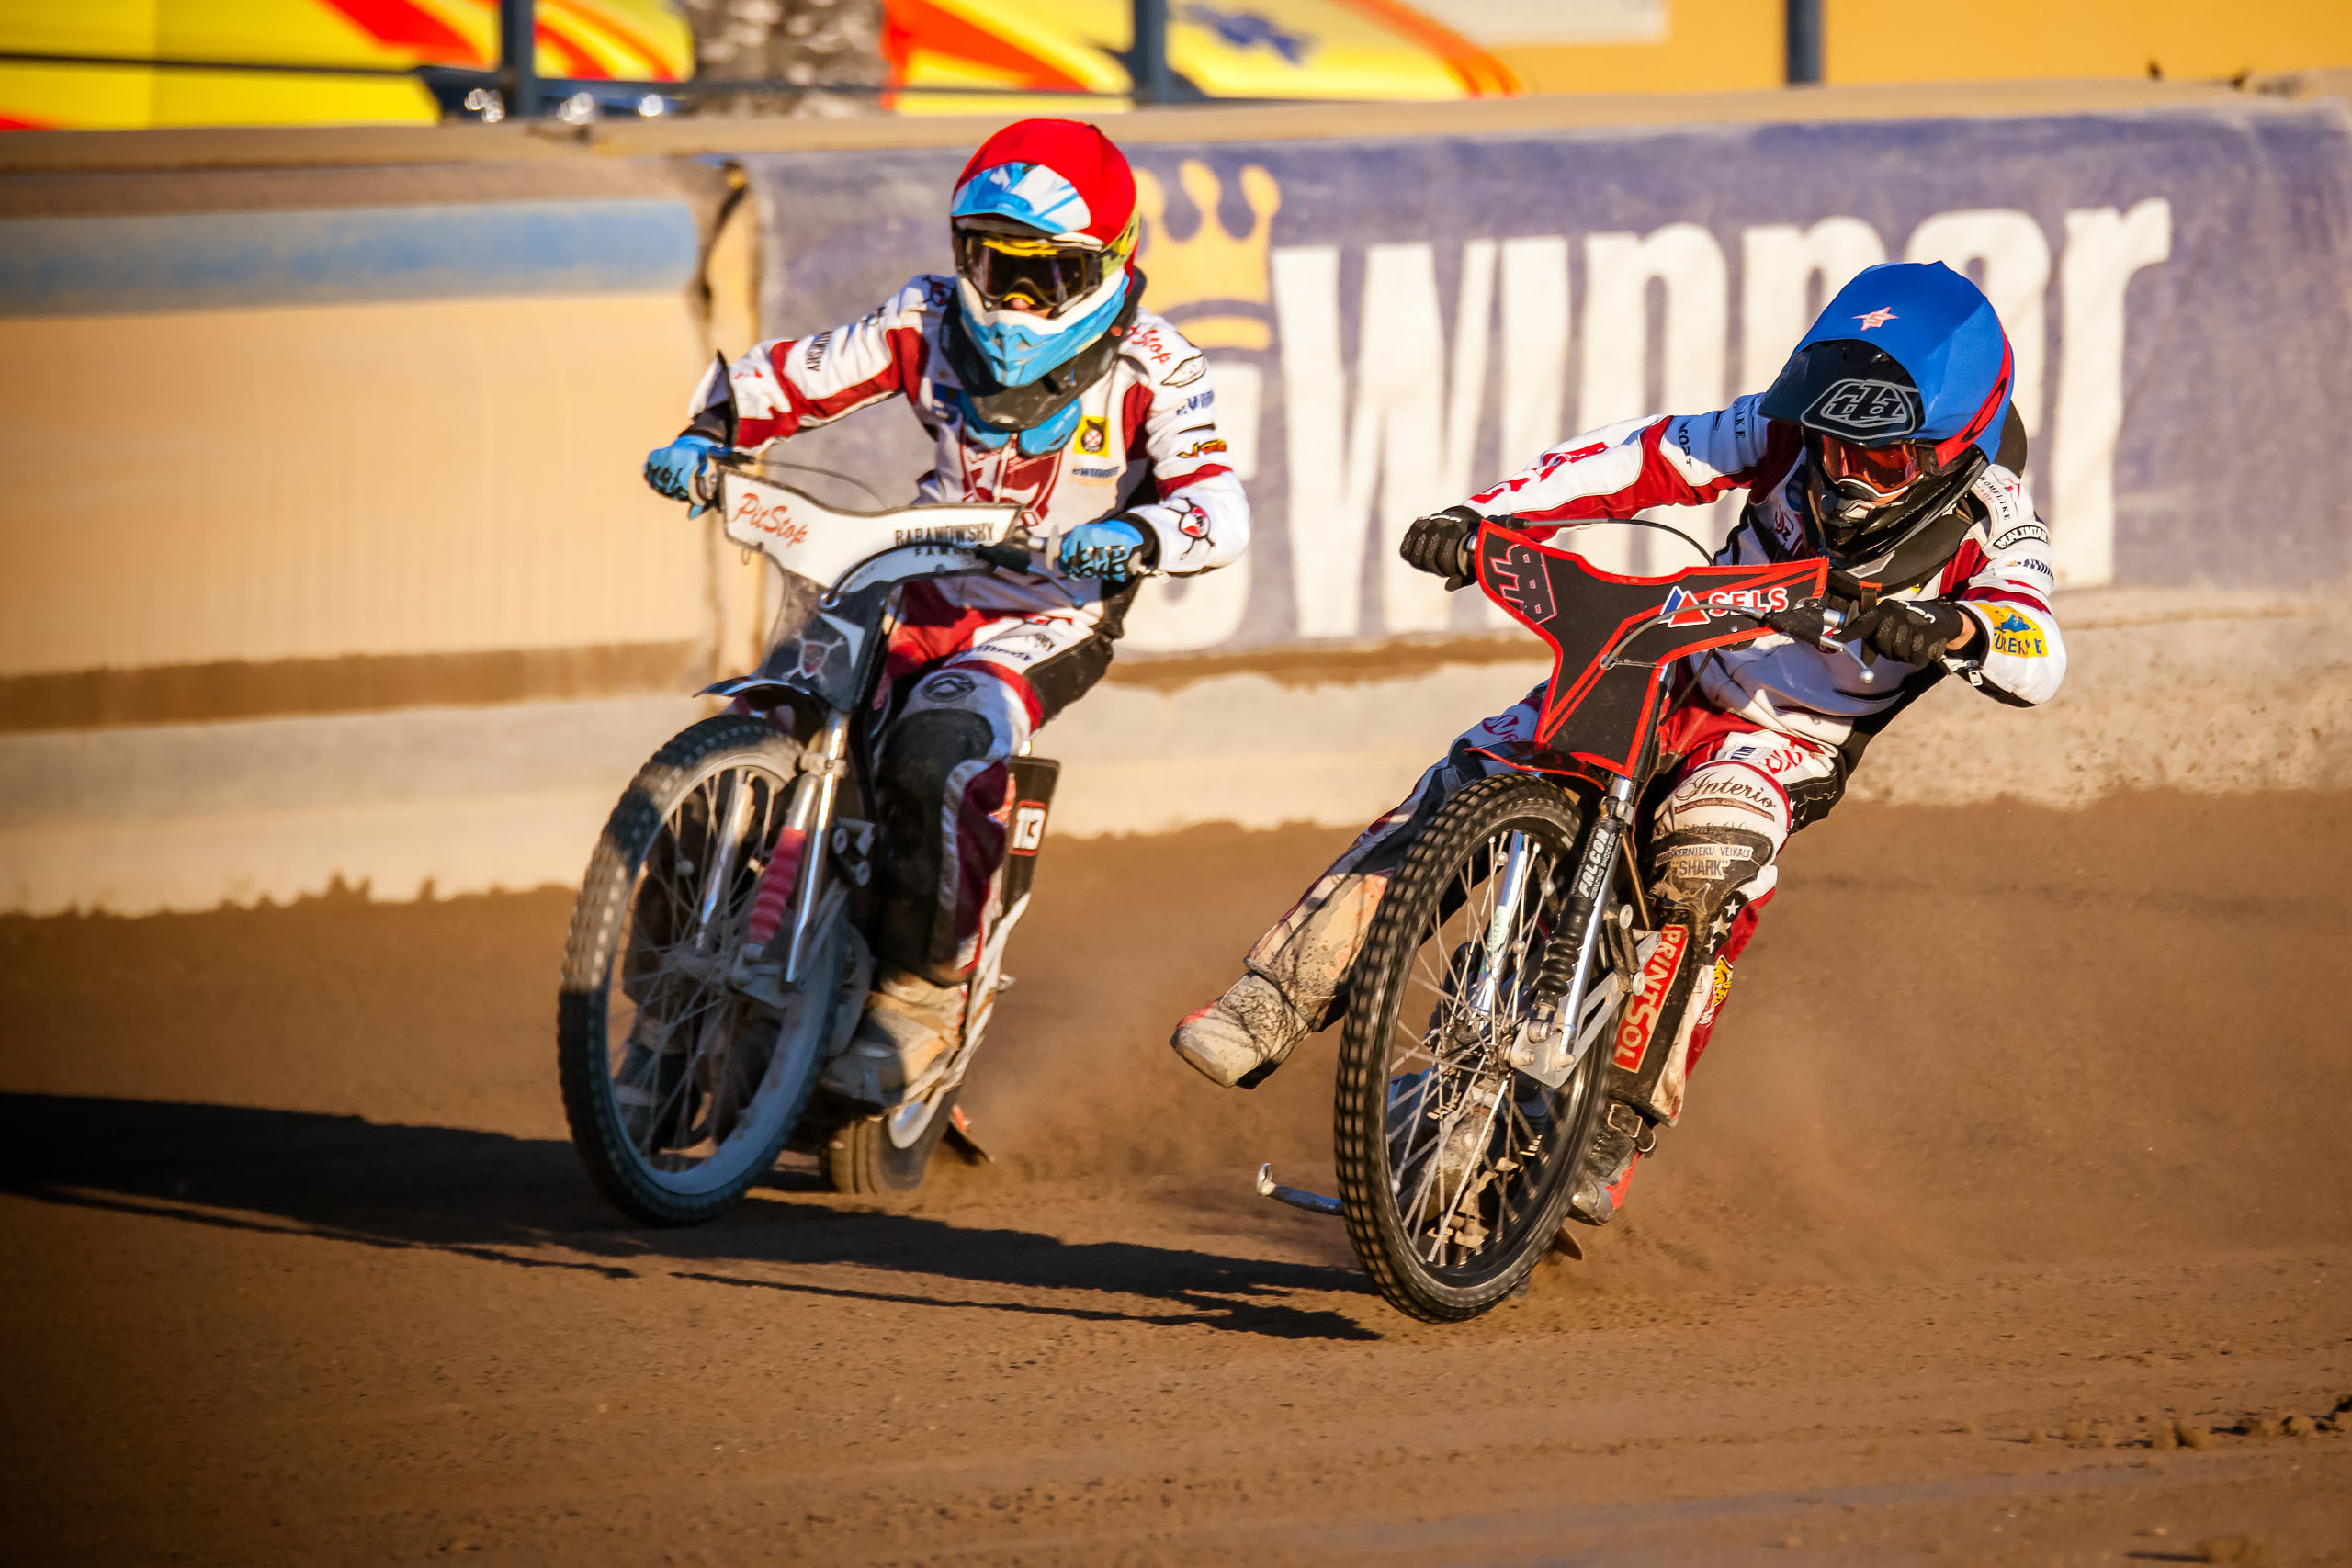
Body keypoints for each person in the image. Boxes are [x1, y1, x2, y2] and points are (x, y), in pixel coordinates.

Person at [1170, 261, 2063, 1228]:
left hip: (1786, 738)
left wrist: (1957, 632)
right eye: (1833, 440)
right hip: (1671, 658)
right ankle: (1275, 996)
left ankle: (1615, 1123)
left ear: (1955, 443)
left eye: (1881, 457)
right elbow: (1639, 455)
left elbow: (2037, 644)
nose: (1845, 468)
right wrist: (1485, 514)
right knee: (1477, 770)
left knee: (1706, 857)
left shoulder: (1995, 517)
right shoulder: (1777, 435)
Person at [642, 118, 1249, 1105]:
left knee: (944, 744)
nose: (1009, 298)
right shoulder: (922, 317)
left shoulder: (1156, 365)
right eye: (989, 263)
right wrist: (707, 433)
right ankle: (660, 987)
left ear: (1105, 266)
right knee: (756, 718)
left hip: (1048, 611)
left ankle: (926, 997)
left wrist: (1140, 538)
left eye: (1040, 276)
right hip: (909, 575)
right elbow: (795, 375)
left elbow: (1218, 504)